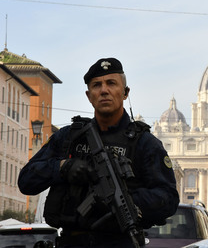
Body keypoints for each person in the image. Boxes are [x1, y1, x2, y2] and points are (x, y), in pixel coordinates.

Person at [18, 57, 179, 247]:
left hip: (119, 241)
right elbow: (26, 181)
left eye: (111, 83)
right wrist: (62, 167)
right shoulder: (69, 137)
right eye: (97, 85)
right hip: (71, 241)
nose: (104, 90)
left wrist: (123, 201)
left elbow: (168, 198)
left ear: (125, 92)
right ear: (89, 95)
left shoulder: (144, 143)